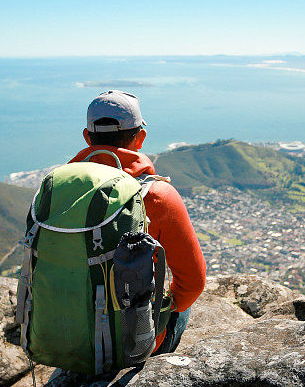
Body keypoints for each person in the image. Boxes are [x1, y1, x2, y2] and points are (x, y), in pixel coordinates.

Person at [69, 90, 206, 354]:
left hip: (68, 335)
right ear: (140, 138)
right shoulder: (155, 195)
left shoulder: (56, 191)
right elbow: (192, 284)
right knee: (183, 308)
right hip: (131, 345)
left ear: (87, 138)